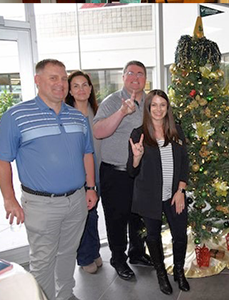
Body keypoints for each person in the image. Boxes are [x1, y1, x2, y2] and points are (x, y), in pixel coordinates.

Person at [0, 59, 98, 300]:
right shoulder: (16, 116)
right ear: (37, 80)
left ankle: (64, 295)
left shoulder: (78, 117)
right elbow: (1, 160)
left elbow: (87, 154)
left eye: (63, 78)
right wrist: (9, 199)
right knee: (42, 260)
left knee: (67, 253)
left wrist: (90, 188)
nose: (60, 83)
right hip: (41, 204)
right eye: (53, 78)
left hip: (76, 200)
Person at [93, 61, 152, 281]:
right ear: (123, 77)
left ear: (145, 78)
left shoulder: (151, 102)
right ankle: (118, 259)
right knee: (117, 218)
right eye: (131, 73)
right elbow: (98, 132)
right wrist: (121, 112)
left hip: (142, 172)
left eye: (141, 73)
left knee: (139, 216)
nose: (136, 77)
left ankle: (137, 253)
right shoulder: (112, 101)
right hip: (116, 172)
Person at [127, 90, 190, 295]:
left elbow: (184, 164)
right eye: (154, 105)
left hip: (174, 194)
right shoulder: (139, 134)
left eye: (162, 104)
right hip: (149, 196)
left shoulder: (176, 131)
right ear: (147, 108)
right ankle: (161, 274)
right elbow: (131, 171)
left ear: (168, 108)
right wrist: (136, 157)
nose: (158, 109)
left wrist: (181, 190)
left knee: (180, 235)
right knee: (153, 237)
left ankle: (179, 272)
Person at [66, 70, 102, 274]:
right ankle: (85, 256)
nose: (81, 89)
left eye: (85, 85)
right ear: (70, 90)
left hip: (99, 173)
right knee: (84, 216)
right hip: (79, 176)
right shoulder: (66, 113)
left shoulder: (97, 111)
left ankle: (94, 251)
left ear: (90, 88)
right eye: (76, 86)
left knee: (94, 215)